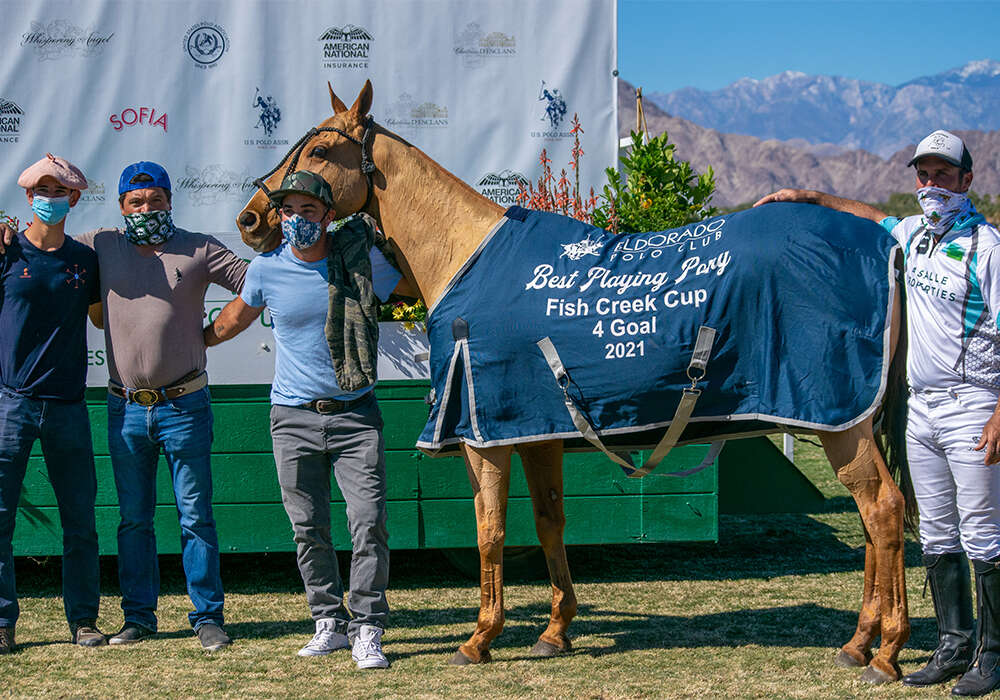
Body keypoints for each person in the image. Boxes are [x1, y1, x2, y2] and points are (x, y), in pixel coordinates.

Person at [756, 130, 1000, 697]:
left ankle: (991, 656)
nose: (932, 185)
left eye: (944, 175)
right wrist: (810, 197)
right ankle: (952, 646)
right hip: (921, 405)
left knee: (984, 536)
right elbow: (867, 214)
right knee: (937, 534)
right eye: (924, 174)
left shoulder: (988, 247)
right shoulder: (913, 236)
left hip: (973, 403)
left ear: (967, 181)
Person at [204, 170, 402, 669]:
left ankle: (368, 627)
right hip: (291, 417)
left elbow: (410, 287)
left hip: (357, 415)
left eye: (308, 212)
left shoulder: (360, 262)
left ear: (329, 216)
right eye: (288, 212)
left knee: (368, 523)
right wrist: (189, 342)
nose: (296, 220)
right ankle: (328, 622)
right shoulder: (266, 269)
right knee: (308, 527)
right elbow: (233, 319)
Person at [74, 162, 247, 651]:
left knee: (195, 516)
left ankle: (208, 617)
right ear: (122, 206)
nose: (145, 209)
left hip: (185, 405)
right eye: (136, 202)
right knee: (133, 519)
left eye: (154, 200)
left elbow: (254, 286)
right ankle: (139, 618)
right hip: (124, 408)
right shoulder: (102, 244)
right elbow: (47, 248)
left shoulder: (200, 247)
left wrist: (214, 333)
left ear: (170, 200)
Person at [0, 154, 104, 651]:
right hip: (10, 405)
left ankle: (83, 621)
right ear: (27, 198)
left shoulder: (86, 261)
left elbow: (108, 320)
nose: (49, 198)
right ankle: (2, 623)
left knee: (80, 521)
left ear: (74, 199)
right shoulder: (4, 252)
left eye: (58, 191)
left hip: (68, 406)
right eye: (41, 190)